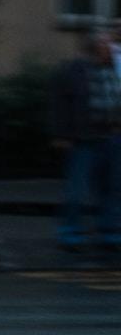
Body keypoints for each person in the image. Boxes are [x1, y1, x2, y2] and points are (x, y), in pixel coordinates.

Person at [49, 26, 121, 252]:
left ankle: (110, 231)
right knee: (76, 190)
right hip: (84, 139)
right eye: (104, 44)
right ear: (92, 47)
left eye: (109, 44)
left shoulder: (113, 69)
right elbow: (59, 106)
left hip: (111, 136)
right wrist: (61, 135)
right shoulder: (73, 71)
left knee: (111, 188)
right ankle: (70, 232)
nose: (110, 48)